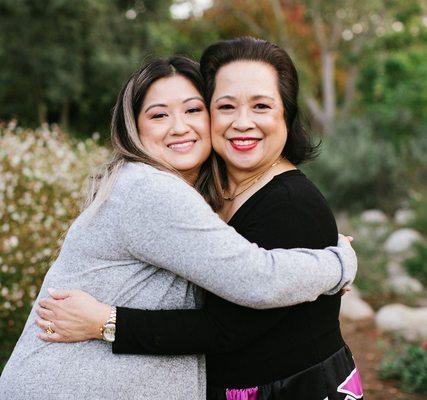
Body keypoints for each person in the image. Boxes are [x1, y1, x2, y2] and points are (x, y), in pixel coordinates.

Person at [0, 54, 356, 400]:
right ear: (134, 126)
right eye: (158, 115)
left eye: (193, 110)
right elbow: (257, 281)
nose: (179, 127)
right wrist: (338, 263)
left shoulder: (182, 192)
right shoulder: (151, 190)